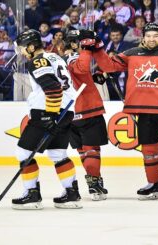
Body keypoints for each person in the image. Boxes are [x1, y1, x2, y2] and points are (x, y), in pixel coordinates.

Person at [92, 23, 158, 202]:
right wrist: (98, 48)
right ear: (143, 37)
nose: (152, 39)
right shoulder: (132, 54)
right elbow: (108, 65)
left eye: (155, 36)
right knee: (149, 151)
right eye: (149, 36)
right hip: (145, 110)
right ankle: (153, 183)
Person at [11, 29, 82, 210]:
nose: (21, 52)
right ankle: (71, 194)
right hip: (65, 112)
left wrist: (50, 115)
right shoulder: (55, 57)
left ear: (32, 47)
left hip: (47, 112)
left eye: (23, 48)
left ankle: (32, 195)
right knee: (58, 153)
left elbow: (53, 88)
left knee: (23, 153)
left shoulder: (37, 61)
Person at [64, 30, 109, 201]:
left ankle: (94, 182)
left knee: (83, 152)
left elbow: (79, 76)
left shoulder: (59, 60)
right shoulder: (74, 57)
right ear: (75, 45)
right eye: (80, 42)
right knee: (91, 150)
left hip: (69, 112)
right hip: (87, 109)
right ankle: (94, 185)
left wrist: (93, 78)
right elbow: (82, 68)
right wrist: (87, 48)